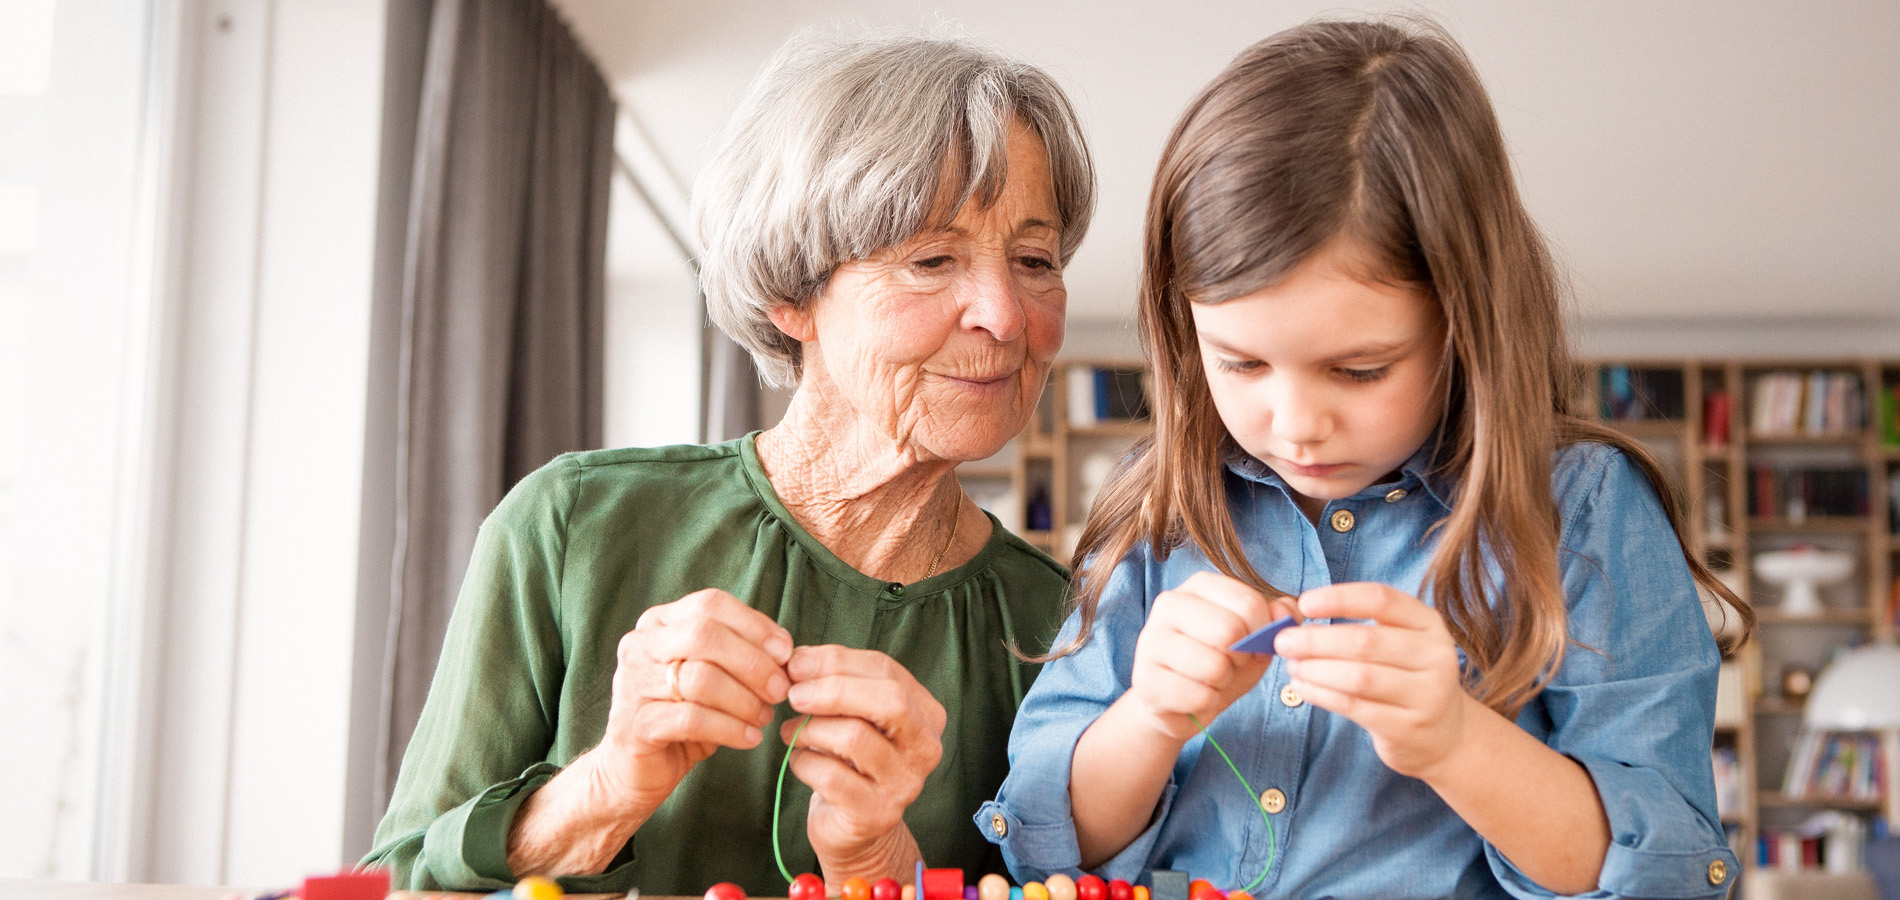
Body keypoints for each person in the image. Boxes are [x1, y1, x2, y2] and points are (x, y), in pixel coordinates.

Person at [975, 18, 1753, 900]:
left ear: (1466, 326)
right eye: (1241, 363)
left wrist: (1455, 740)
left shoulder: (1580, 509)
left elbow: (1676, 873)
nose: (1298, 423)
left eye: (1359, 370)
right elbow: (1044, 844)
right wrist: (1151, 717)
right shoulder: (1159, 505)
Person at [365, 31, 1094, 896]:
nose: (1007, 317)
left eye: (1035, 261)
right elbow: (395, 882)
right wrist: (605, 790)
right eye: (933, 259)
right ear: (793, 293)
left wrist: (874, 864)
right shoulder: (570, 526)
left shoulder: (1057, 626)